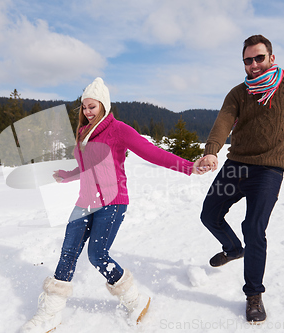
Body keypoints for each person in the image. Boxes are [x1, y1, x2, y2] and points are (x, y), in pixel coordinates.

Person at [20, 77, 203, 333]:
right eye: (84, 107)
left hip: (112, 202)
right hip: (85, 201)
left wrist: (188, 166)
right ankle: (50, 312)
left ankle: (135, 300)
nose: (87, 112)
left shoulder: (118, 130)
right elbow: (87, 165)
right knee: (68, 251)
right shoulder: (84, 132)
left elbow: (152, 152)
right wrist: (68, 174)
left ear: (103, 105)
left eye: (92, 107)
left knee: (97, 255)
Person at [196, 35, 284, 324]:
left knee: (254, 228)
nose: (254, 65)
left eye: (259, 58)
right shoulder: (238, 93)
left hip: (269, 170)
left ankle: (254, 295)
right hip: (236, 164)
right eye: (248, 60)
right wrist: (212, 152)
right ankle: (233, 249)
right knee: (209, 214)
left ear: (272, 57)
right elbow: (223, 120)